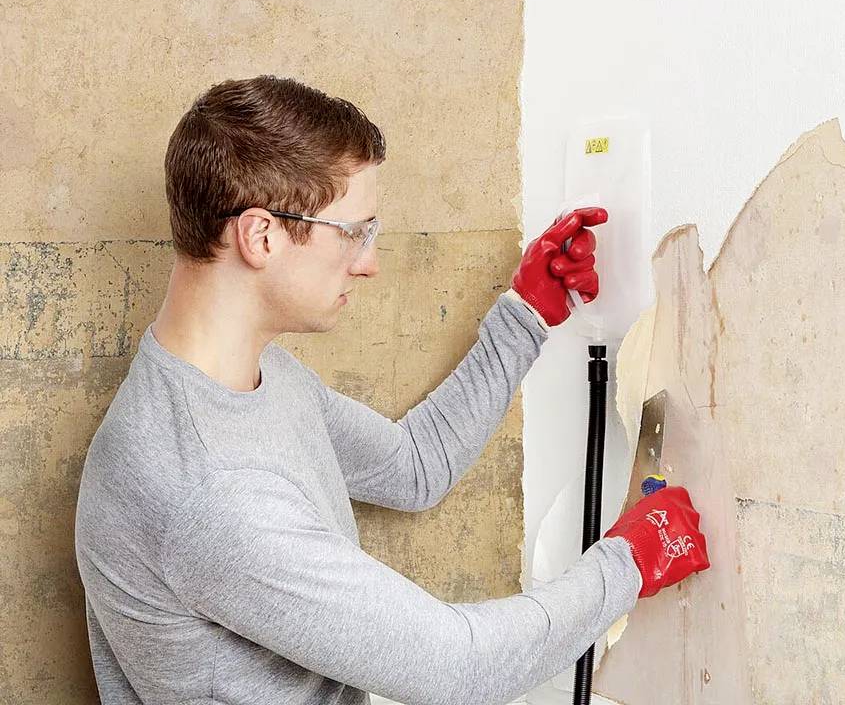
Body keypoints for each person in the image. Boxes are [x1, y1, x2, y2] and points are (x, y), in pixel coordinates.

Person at [74, 75, 709, 705]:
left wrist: (528, 314)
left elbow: (414, 469)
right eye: (354, 231)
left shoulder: (252, 379)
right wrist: (629, 560)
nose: (369, 261)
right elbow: (455, 668)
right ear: (260, 236)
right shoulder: (210, 490)